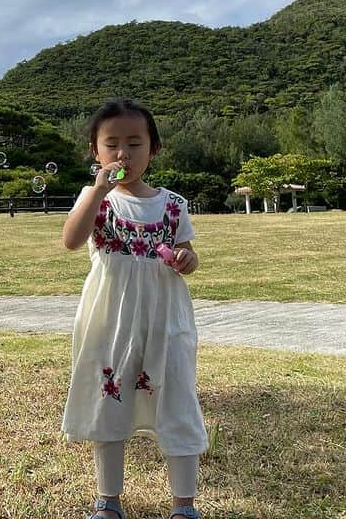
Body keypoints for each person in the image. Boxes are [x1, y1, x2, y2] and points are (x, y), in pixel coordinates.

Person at [60, 98, 207, 519]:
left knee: (176, 396)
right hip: (112, 320)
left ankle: (185, 505)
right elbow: (71, 240)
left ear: (154, 149)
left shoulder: (174, 204)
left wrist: (186, 259)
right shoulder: (96, 200)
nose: (123, 153)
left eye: (135, 143)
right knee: (110, 400)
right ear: (96, 152)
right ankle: (108, 501)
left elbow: (187, 251)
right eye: (112, 144)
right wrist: (97, 190)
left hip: (165, 318)